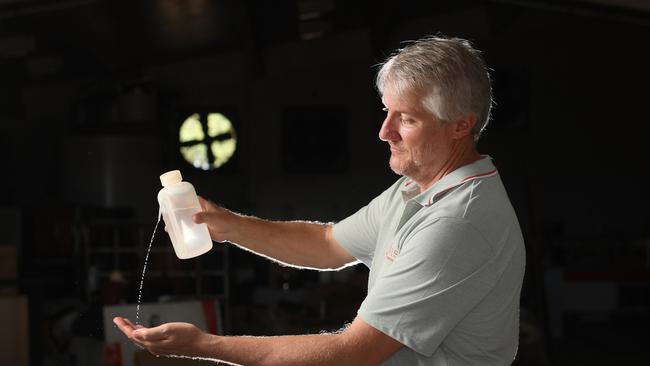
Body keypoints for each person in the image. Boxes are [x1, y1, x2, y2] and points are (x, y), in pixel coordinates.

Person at [114, 35, 526, 365]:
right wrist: (228, 226)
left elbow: (352, 354)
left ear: (461, 126)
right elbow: (327, 244)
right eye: (386, 111)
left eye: (407, 118)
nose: (384, 132)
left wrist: (204, 345)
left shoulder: (457, 223)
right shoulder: (416, 189)